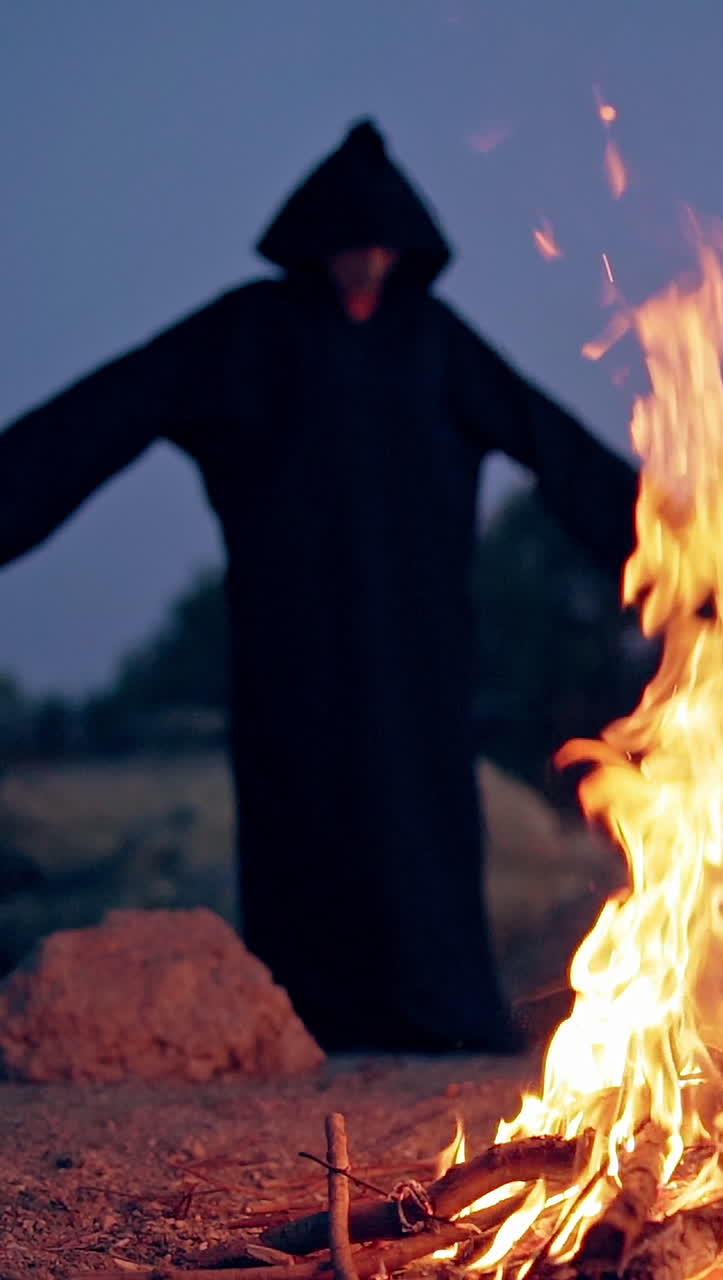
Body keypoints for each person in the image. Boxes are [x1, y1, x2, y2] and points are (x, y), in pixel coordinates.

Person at [0, 119, 638, 1053]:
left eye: (383, 247)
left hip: (419, 654)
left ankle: (441, 1022)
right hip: (289, 654)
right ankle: (305, 1025)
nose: (366, 265)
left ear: (407, 251)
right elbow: (108, 414)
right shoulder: (247, 333)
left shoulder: (434, 343)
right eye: (349, 246)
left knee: (420, 837)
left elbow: (553, 444)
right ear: (313, 247)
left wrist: (691, 553)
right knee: (304, 833)